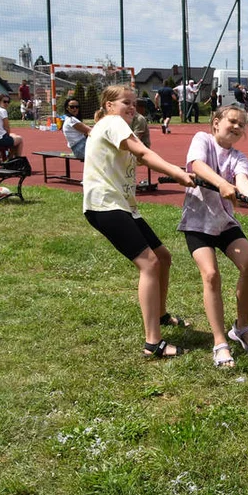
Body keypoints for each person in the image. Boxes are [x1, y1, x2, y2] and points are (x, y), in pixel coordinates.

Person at [82, 85, 195, 358]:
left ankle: (160, 314)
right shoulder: (112, 122)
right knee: (149, 264)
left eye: (134, 103)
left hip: (123, 206)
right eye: (125, 102)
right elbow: (143, 154)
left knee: (162, 257)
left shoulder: (115, 125)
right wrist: (177, 173)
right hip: (105, 206)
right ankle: (153, 343)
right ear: (109, 105)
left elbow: (141, 153)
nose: (132, 107)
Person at [178, 105, 248, 368]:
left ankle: (241, 327)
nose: (237, 127)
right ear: (216, 123)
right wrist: (222, 184)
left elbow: (242, 179)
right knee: (211, 275)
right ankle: (219, 342)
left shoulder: (239, 156)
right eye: (232, 121)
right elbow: (197, 165)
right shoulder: (202, 139)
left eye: (242, 125)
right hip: (197, 223)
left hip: (225, 223)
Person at [0, 93, 26, 164]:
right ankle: (16, 161)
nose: (7, 104)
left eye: (8, 102)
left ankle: (10, 158)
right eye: (4, 101)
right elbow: (7, 127)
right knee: (20, 139)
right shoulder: (2, 111)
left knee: (14, 136)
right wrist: (8, 136)